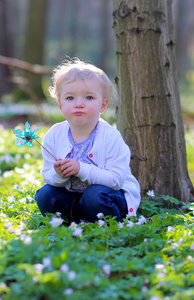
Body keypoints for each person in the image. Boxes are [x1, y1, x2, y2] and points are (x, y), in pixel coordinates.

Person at [35, 58, 141, 224]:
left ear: (103, 105)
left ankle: (109, 225)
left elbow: (115, 180)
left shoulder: (110, 136)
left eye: (89, 98)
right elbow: (48, 176)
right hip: (74, 199)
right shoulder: (54, 134)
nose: (79, 104)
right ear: (60, 105)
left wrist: (80, 168)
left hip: (108, 198)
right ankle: (73, 221)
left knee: (94, 195)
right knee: (45, 194)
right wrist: (59, 174)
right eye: (70, 98)